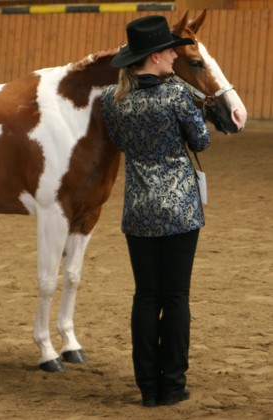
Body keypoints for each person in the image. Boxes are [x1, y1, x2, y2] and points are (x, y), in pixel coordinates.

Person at [101, 15, 210, 407]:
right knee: (177, 297)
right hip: (180, 209)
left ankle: (148, 386)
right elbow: (201, 140)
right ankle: (173, 385)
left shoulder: (112, 102)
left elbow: (118, 140)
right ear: (155, 57)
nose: (172, 56)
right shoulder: (177, 95)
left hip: (138, 210)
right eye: (168, 51)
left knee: (146, 297)